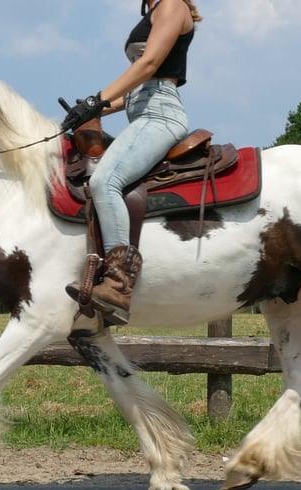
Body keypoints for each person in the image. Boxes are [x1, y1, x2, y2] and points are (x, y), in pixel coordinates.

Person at [62, 0, 202, 325]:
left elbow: (149, 64)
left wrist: (98, 99)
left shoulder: (171, 5)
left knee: (104, 182)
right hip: (141, 110)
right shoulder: (152, 13)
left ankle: (118, 284)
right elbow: (134, 88)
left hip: (160, 114)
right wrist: (93, 108)